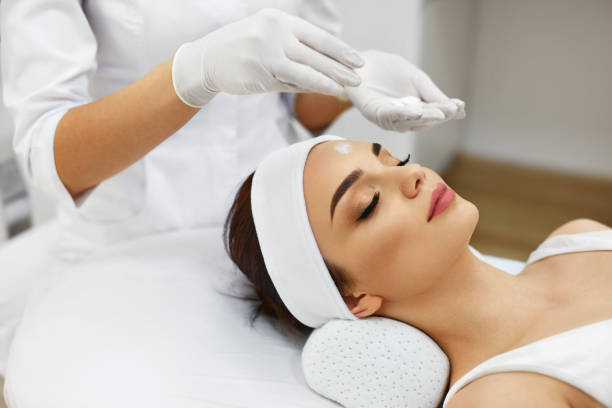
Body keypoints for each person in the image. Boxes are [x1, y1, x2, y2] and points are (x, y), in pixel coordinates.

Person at [0, 1, 465, 386]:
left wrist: (354, 80)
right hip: (135, 238)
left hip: (284, 241)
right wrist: (190, 77)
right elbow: (54, 158)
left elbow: (301, 105)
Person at [224, 135, 612, 408]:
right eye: (369, 204)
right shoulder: (501, 396)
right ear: (354, 298)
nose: (414, 175)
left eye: (395, 160)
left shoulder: (581, 239)